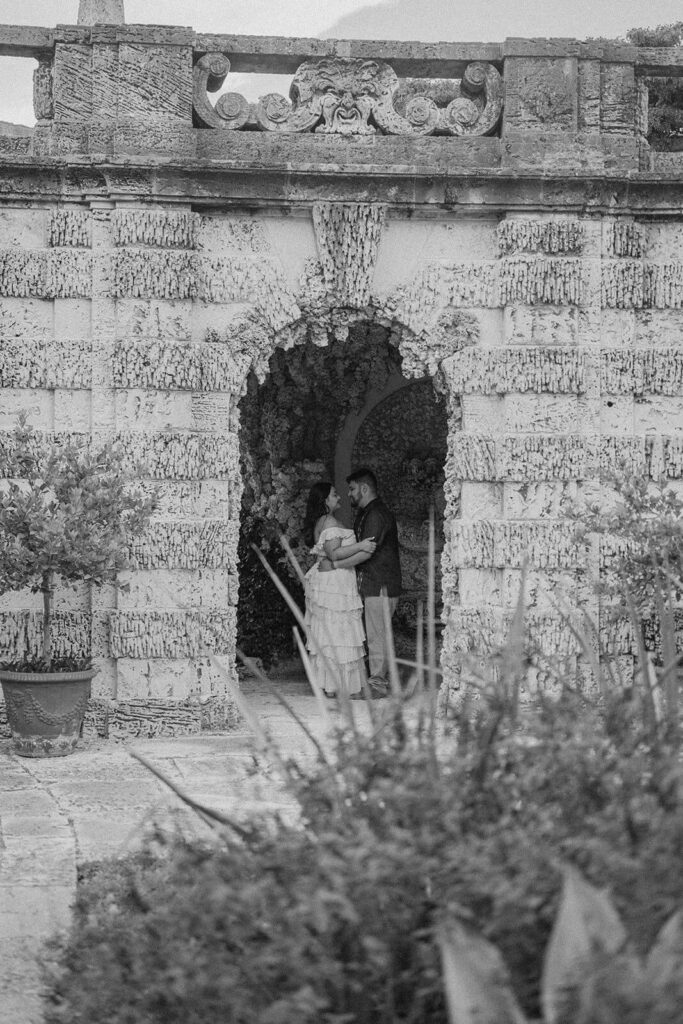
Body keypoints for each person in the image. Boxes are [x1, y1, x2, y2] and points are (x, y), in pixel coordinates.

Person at [303, 481, 377, 698]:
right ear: (325, 501)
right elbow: (334, 553)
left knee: (332, 631)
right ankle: (338, 685)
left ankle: (331, 683)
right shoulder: (329, 521)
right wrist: (361, 545)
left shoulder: (324, 521)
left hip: (330, 580)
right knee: (338, 631)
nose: (339, 498)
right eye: (334, 495)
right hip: (334, 582)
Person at [343, 467, 402, 699]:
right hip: (375, 583)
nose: (349, 494)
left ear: (364, 488)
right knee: (376, 634)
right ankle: (379, 681)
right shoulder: (370, 512)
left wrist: (337, 564)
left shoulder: (376, 514)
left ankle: (377, 684)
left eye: (352, 489)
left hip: (381, 584)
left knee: (378, 635)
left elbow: (368, 551)